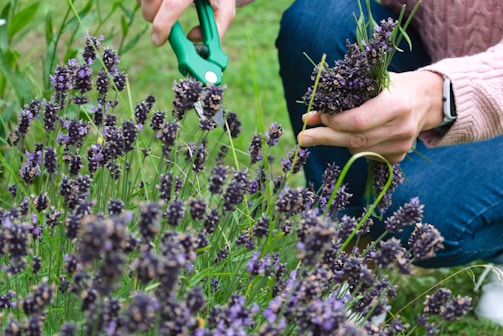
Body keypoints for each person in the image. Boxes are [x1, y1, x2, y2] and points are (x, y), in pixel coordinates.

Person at [138, 0, 503, 325]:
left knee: (416, 209)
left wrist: (441, 95)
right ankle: (349, 258)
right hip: (436, 67)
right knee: (320, 18)